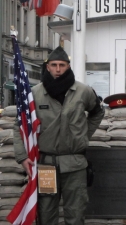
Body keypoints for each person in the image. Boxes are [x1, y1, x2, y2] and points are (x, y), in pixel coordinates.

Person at [13, 46, 105, 225]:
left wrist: (84, 134)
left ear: (68, 66)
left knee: (76, 214)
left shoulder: (83, 91)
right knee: (46, 215)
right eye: (53, 65)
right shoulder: (35, 93)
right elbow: (20, 125)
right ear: (47, 67)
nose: (57, 69)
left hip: (75, 165)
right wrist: (22, 156)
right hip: (47, 165)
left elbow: (97, 112)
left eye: (62, 65)